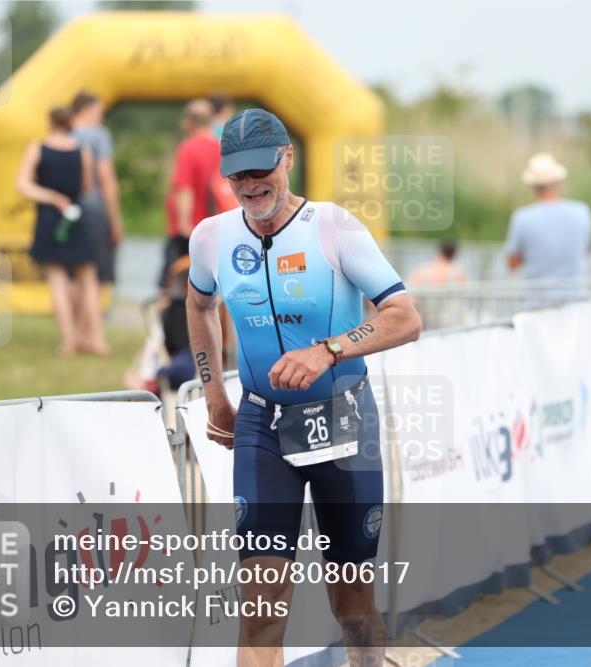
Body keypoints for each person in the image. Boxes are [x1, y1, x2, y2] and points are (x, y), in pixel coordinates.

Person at [185, 108, 421, 667]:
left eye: (259, 171)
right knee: (262, 609)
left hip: (341, 419)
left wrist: (330, 349)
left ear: (287, 158)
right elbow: (199, 304)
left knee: (353, 601)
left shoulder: (332, 227)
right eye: (236, 176)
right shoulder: (211, 237)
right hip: (262, 425)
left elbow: (405, 316)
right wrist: (214, 388)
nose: (248, 186)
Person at [16, 107, 110, 356]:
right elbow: (87, 187)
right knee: (88, 281)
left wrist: (50, 196)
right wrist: (67, 197)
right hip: (77, 216)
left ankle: (68, 342)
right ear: (70, 123)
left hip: (48, 218)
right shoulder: (83, 151)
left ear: (50, 122)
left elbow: (23, 184)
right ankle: (97, 339)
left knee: (57, 281)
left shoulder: (37, 148)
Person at [504, 152, 591, 306]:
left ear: (533, 186)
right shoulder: (582, 211)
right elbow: (586, 250)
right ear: (558, 181)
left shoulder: (522, 218)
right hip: (577, 305)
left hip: (538, 306)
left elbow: (512, 263)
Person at [160, 99, 222, 291]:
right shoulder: (220, 147)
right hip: (216, 227)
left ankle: (172, 320)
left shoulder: (189, 148)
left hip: (190, 229)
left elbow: (185, 189)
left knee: (171, 286)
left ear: (189, 121)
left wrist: (184, 224)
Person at [70, 91, 123, 287]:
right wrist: (115, 220)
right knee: (95, 275)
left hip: (65, 212)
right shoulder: (99, 135)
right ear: (87, 109)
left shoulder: (62, 134)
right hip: (93, 209)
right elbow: (106, 178)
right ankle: (91, 317)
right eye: (99, 112)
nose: (101, 117)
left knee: (72, 275)